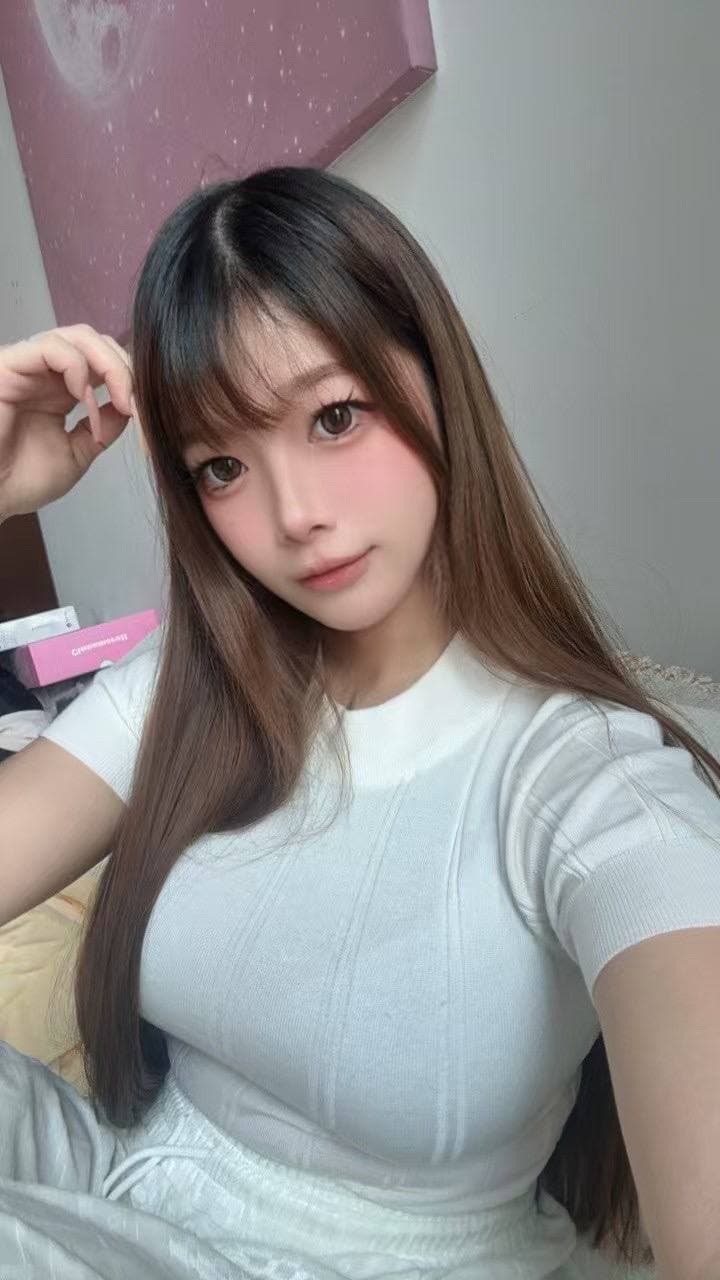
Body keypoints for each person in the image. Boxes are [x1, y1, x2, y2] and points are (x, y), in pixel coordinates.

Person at [0, 166, 719, 1280]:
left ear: (436, 380)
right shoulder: (188, 685)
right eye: (223, 466)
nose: (295, 516)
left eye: (335, 416)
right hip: (118, 1177)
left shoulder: (587, 782)